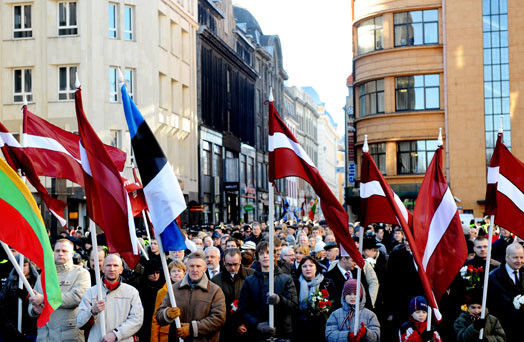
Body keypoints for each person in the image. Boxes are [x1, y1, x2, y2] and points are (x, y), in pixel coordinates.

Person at [29, 239, 91, 342]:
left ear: (72, 253)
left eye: (64, 251)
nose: (60, 253)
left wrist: (45, 299)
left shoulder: (81, 273)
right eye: (57, 251)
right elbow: (33, 300)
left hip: (68, 335)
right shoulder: (43, 275)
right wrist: (34, 310)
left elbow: (77, 298)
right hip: (45, 336)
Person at [156, 252, 226, 342]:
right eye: (191, 266)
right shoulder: (174, 288)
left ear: (205, 268)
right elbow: (159, 315)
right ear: (186, 268)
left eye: (198, 266)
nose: (195, 270)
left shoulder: (215, 291)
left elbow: (219, 319)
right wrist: (167, 314)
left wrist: (192, 329)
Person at [238, 241, 298, 341]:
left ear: (274, 256)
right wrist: (257, 324)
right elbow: (243, 309)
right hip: (257, 335)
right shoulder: (249, 281)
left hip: (282, 333)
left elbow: (294, 307)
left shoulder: (286, 279)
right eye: (261, 253)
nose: (265, 256)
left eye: (268, 252)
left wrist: (280, 300)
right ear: (257, 258)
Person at [77, 254, 143, 342]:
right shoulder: (91, 292)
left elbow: (137, 320)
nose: (112, 269)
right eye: (108, 265)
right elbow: (79, 323)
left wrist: (116, 334)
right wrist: (92, 311)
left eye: (115, 265)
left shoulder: (131, 292)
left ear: (121, 269)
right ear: (103, 269)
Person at [211, 248, 254, 342]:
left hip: (250, 327)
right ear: (223, 261)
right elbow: (217, 309)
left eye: (235, 264)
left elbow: (255, 303)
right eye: (229, 265)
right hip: (226, 330)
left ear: (240, 261)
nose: (232, 268)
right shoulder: (216, 281)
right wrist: (235, 325)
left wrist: (245, 323)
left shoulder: (252, 276)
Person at [294, 256, 337, 341]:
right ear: (301, 269)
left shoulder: (327, 282)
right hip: (300, 326)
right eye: (304, 266)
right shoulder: (295, 283)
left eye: (311, 266)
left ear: (316, 267)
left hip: (321, 325)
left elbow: (335, 302)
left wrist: (324, 308)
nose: (308, 269)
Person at [488, 243, 524, 341]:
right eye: (515, 257)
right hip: (505, 327)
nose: (519, 261)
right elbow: (492, 304)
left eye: (522, 257)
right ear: (506, 258)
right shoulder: (493, 277)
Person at [0, 255, 39, 341]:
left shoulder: (37, 282)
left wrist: (27, 297)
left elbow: (41, 306)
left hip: (32, 331)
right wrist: (12, 330)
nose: (21, 268)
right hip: (11, 330)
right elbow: (2, 307)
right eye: (18, 265)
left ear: (30, 266)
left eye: (24, 265)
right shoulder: (9, 283)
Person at [151, 260, 186, 342]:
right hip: (165, 335)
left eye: (179, 270)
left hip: (184, 332)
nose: (176, 273)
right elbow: (156, 317)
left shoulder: (191, 290)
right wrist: (154, 339)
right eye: (173, 271)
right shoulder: (161, 292)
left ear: (184, 273)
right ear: (169, 274)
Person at [137, 259, 164, 342]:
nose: (155, 275)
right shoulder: (140, 287)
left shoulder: (164, 287)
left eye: (157, 272)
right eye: (152, 273)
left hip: (160, 322)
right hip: (145, 324)